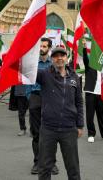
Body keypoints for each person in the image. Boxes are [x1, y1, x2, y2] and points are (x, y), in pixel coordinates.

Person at [36, 46, 84, 180]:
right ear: (52, 59)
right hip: (48, 129)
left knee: (73, 167)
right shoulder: (44, 75)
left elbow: (79, 102)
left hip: (69, 129)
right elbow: (27, 70)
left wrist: (80, 125)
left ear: (66, 58)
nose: (59, 58)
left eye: (62, 55)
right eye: (56, 56)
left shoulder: (74, 77)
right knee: (45, 167)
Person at [26, 38, 58, 175]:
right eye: (40, 46)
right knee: (37, 133)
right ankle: (37, 162)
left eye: (45, 46)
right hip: (36, 97)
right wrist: (30, 97)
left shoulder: (54, 64)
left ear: (49, 48)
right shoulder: (32, 63)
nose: (42, 48)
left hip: (51, 99)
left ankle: (52, 163)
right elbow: (27, 80)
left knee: (51, 133)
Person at [82, 39, 103, 143]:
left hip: (101, 93)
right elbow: (85, 59)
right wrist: (84, 48)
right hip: (91, 92)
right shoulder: (90, 65)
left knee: (102, 114)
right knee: (90, 114)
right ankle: (91, 134)